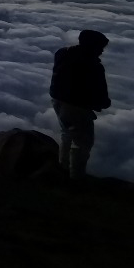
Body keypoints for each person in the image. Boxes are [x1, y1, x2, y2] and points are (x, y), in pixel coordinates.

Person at [49, 29, 111, 179]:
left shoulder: (62, 53)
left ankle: (62, 168)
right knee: (82, 143)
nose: (101, 51)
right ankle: (76, 177)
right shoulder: (93, 66)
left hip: (58, 101)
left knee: (67, 134)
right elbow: (101, 93)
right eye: (100, 47)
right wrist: (103, 103)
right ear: (92, 46)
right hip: (77, 108)